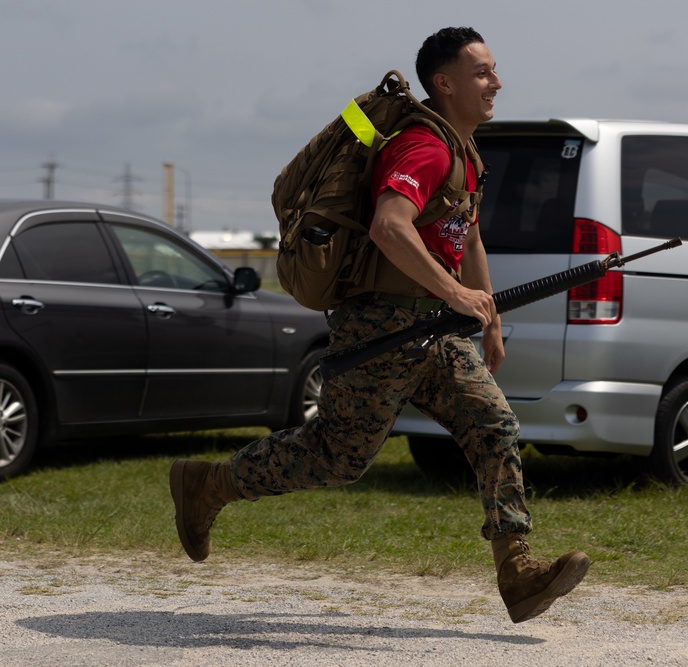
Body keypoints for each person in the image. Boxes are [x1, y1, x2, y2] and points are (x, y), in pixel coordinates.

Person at [169, 26, 590, 624]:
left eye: (493, 70)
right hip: (381, 328)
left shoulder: (464, 152)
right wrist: (456, 293)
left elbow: (465, 233)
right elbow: (390, 226)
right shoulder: (426, 147)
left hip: (435, 330)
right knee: (338, 457)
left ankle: (517, 571)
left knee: (493, 423)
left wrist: (486, 313)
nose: (496, 82)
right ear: (444, 83)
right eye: (482, 72)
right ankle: (207, 485)